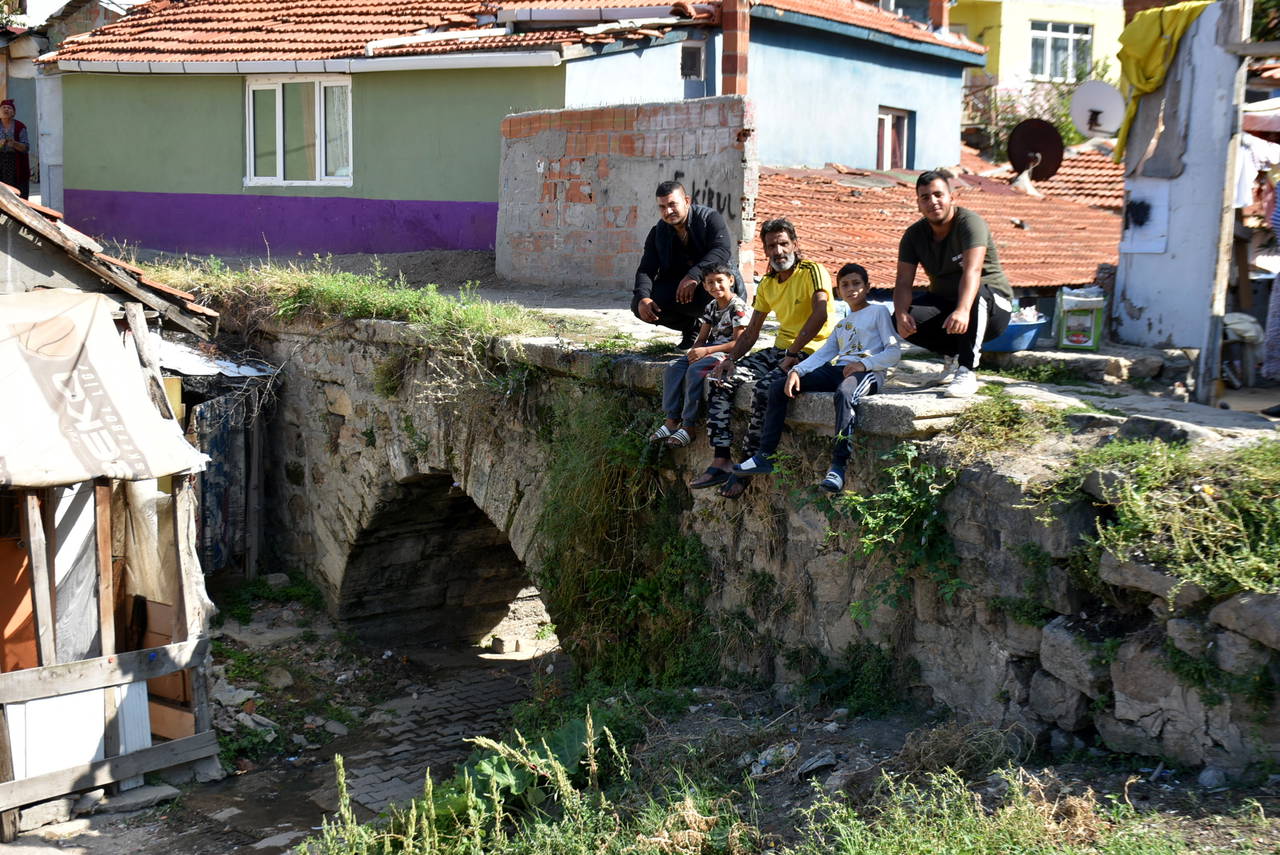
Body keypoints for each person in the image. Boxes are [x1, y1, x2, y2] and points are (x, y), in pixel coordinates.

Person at [690, 218, 838, 499]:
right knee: (721, 379)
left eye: (784, 243)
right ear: (766, 250)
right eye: (772, 246)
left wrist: (794, 354)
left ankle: (747, 465)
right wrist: (730, 359)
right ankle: (721, 459)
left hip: (812, 352)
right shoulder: (769, 282)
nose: (779, 251)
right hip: (780, 350)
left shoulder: (813, 271)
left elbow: (820, 314)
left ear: (795, 243)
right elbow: (752, 331)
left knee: (765, 389)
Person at [734, 262, 900, 492]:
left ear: (867, 287)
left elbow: (893, 352)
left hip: (867, 373)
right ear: (838, 291)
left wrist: (865, 363)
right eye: (845, 285)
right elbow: (825, 353)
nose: (851, 289)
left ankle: (838, 467)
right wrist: (795, 371)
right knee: (778, 386)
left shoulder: (879, 312)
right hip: (840, 369)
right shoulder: (843, 323)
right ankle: (764, 455)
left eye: (857, 283)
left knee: (844, 393)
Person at [894, 171, 1014, 398]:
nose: (933, 202)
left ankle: (967, 370)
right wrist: (901, 314)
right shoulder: (913, 235)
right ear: (918, 204)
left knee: (975, 295)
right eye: (925, 197)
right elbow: (902, 282)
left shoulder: (970, 223)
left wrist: (962, 309)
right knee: (901, 316)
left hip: (992, 306)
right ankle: (952, 355)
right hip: (948, 305)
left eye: (938, 195)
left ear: (951, 197)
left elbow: (973, 270)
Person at [633, 181, 745, 349]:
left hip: (714, 287)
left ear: (687, 201)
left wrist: (694, 275)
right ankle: (691, 328)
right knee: (639, 304)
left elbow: (721, 250)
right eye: (662, 207)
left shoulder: (709, 219)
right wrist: (643, 297)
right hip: (683, 291)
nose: (668, 211)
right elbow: (646, 269)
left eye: (672, 204)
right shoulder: (658, 232)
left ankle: (722, 338)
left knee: (717, 289)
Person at [650, 264, 750, 448]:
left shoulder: (737, 307)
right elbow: (702, 338)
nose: (715, 286)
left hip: (730, 353)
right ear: (704, 286)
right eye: (710, 283)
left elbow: (739, 343)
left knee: (695, 371)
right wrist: (695, 351)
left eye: (720, 281)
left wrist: (706, 352)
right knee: (674, 366)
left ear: (731, 281)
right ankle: (672, 420)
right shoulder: (711, 306)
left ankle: (688, 425)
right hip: (710, 349)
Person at [0, 99, 30, 200]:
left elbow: (26, 147)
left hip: (16, 164)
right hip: (1, 164)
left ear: (14, 113)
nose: (6, 110)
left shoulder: (20, 126)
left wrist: (14, 144)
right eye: (3, 107)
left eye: (9, 108)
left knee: (18, 195)